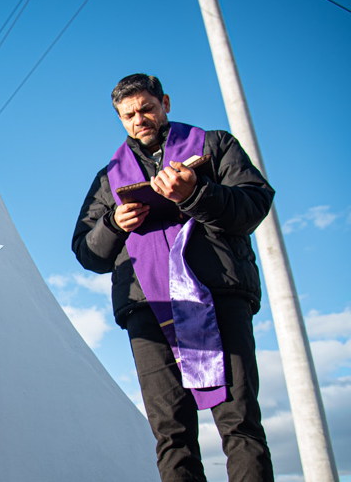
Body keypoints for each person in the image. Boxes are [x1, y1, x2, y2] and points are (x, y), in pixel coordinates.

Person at [72, 73, 275, 481]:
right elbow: (86, 252)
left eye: (146, 109)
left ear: (165, 103)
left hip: (218, 294)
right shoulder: (108, 178)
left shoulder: (215, 145)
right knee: (171, 434)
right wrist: (114, 223)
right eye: (128, 115)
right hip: (148, 308)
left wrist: (196, 193)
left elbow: (255, 202)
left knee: (240, 421)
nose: (138, 120)